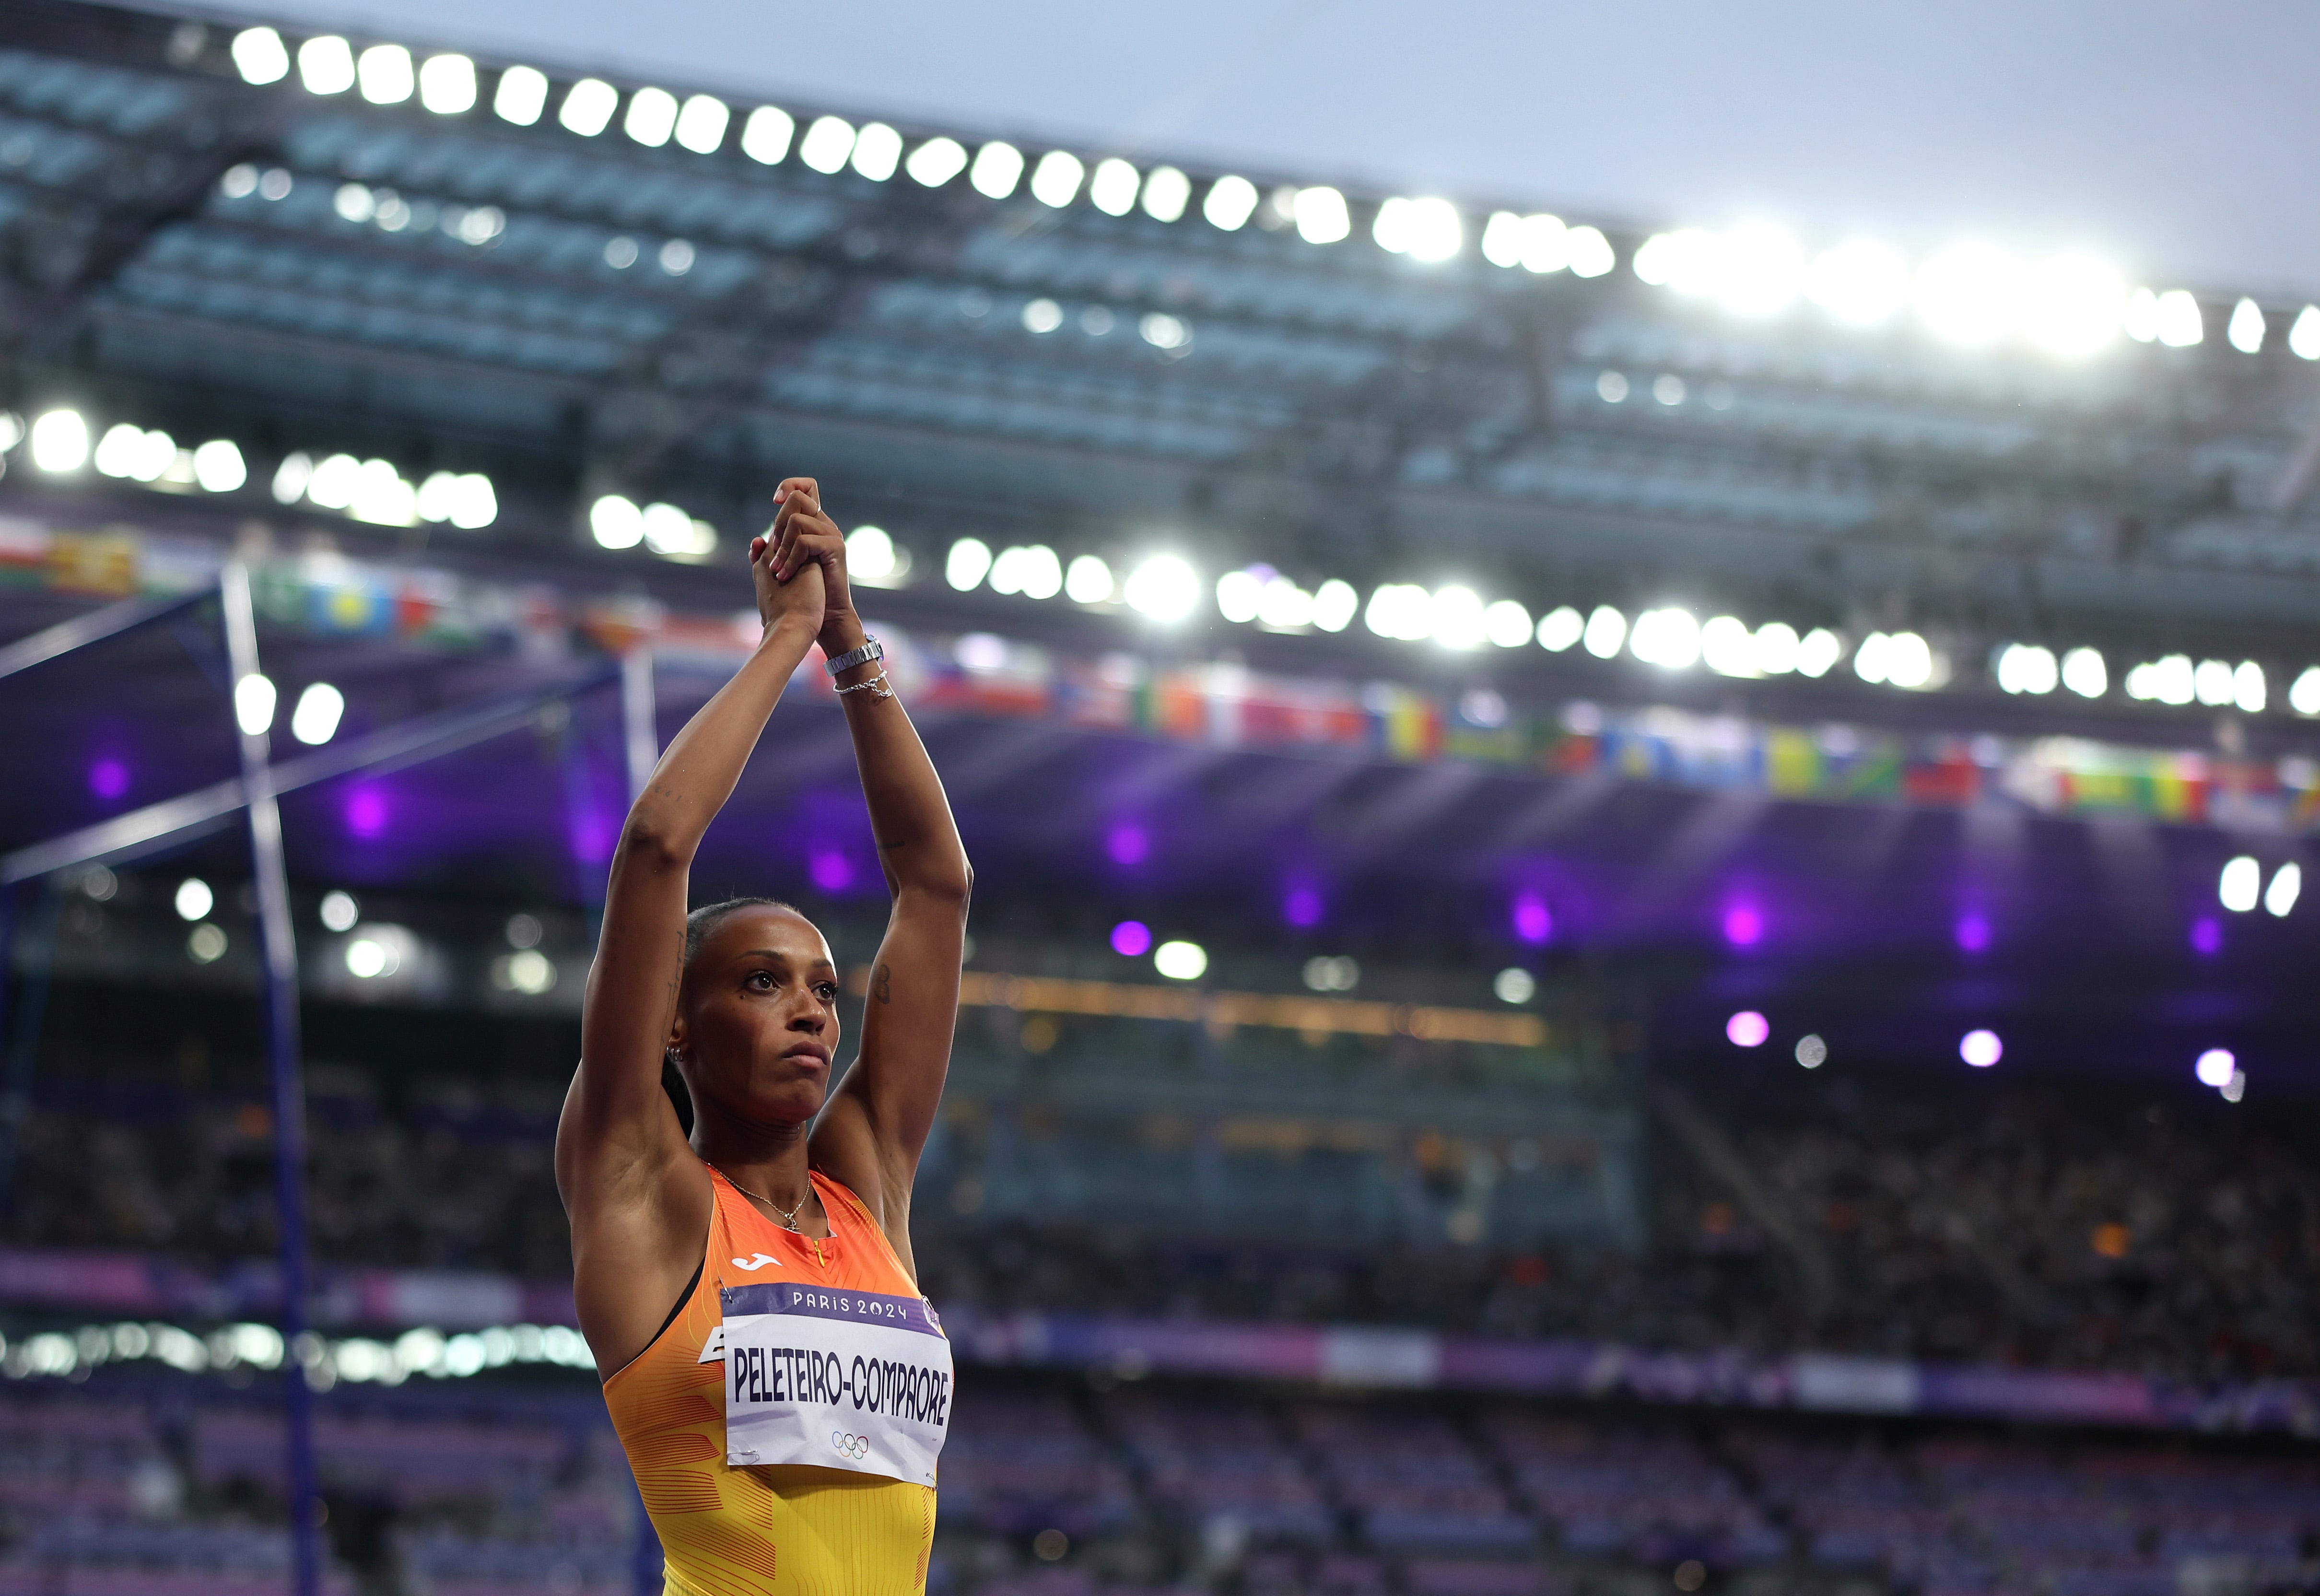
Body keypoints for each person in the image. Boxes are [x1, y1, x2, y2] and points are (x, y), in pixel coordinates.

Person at [556, 477, 971, 1596]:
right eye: (758, 980)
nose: (809, 1008)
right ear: (677, 1024)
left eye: (823, 989)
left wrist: (851, 645)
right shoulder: (644, 1188)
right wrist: (787, 635)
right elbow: (654, 844)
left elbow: (935, 885)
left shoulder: (866, 1185)